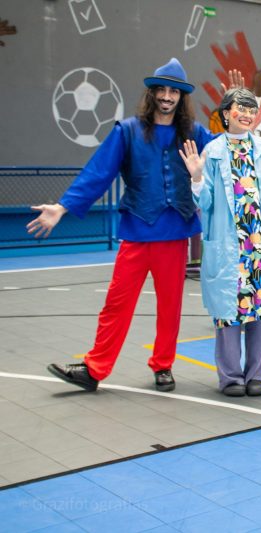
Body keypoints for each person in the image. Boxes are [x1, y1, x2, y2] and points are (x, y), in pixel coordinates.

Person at [29, 58, 215, 393]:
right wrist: (62, 207)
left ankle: (163, 365)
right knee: (117, 304)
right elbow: (98, 172)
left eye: (174, 91)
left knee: (170, 307)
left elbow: (226, 154)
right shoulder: (127, 131)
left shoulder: (194, 133)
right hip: (137, 232)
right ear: (152, 93)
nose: (168, 96)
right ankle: (94, 369)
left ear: (181, 97)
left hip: (175, 234)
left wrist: (236, 112)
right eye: (162, 89)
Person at [179, 88, 261, 397]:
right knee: (228, 316)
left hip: (260, 248)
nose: (246, 114)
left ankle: (257, 374)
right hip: (229, 251)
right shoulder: (213, 151)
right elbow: (205, 203)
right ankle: (230, 377)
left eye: (250, 109)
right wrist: (196, 177)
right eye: (240, 109)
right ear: (225, 114)